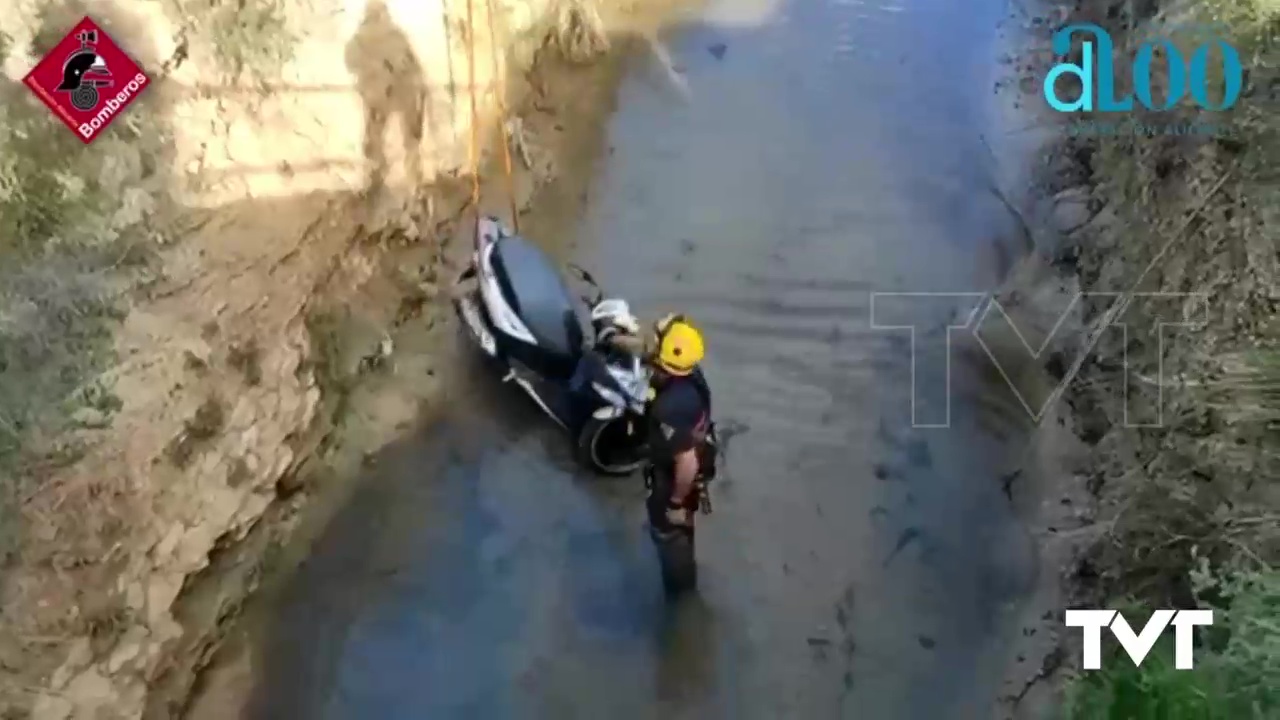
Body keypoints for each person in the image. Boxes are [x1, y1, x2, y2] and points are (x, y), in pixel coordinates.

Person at [606, 313, 714, 533]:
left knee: (662, 511)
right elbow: (651, 347)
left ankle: (668, 531)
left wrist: (675, 502)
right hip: (693, 436)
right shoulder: (690, 368)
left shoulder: (670, 408)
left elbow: (687, 462)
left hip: (677, 466)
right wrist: (614, 339)